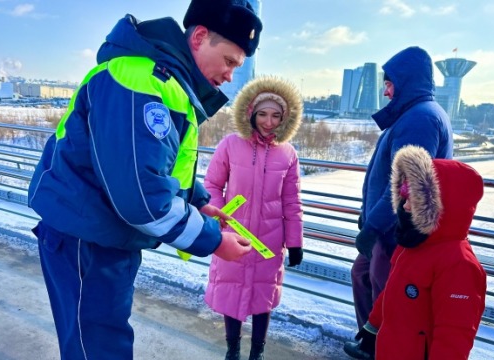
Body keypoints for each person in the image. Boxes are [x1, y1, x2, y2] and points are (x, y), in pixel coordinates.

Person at [27, 1, 262, 359]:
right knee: (98, 348)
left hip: (101, 232)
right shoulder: (141, 82)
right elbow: (142, 198)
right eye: (229, 61)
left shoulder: (167, 83)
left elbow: (156, 163)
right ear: (199, 37)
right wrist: (213, 241)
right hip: (86, 238)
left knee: (101, 340)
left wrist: (198, 201)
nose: (230, 75)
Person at [345, 145, 487, 359]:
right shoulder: (412, 244)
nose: (406, 205)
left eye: (415, 198)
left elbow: (454, 338)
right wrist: (373, 326)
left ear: (440, 205)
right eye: (403, 192)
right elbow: (391, 291)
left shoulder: (459, 265)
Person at [350, 46, 454, 332]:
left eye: (389, 84)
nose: (385, 92)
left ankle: (380, 347)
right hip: (387, 228)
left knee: (388, 298)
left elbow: (404, 184)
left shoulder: (420, 119)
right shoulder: (414, 114)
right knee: (363, 277)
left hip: (395, 232)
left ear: (406, 81)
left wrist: (372, 226)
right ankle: (370, 342)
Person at [203, 76, 304, 360]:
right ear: (250, 112)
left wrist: (295, 241)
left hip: (271, 238)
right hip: (233, 231)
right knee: (232, 291)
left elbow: (291, 200)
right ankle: (232, 348)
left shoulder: (288, 154)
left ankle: (256, 352)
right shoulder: (230, 144)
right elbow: (211, 185)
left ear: (285, 118)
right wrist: (219, 216)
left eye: (276, 115)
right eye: (263, 114)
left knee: (263, 296)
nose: (269, 122)